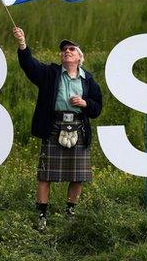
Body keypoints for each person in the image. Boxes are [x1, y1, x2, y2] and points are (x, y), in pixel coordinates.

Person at [12, 26, 102, 231]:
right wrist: (22, 44)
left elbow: (97, 108)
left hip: (79, 127)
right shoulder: (50, 74)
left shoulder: (89, 80)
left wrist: (85, 103)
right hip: (54, 127)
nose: (67, 52)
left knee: (78, 175)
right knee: (45, 175)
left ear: (80, 57)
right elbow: (29, 65)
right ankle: (42, 216)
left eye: (71, 49)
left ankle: (70, 213)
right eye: (64, 50)